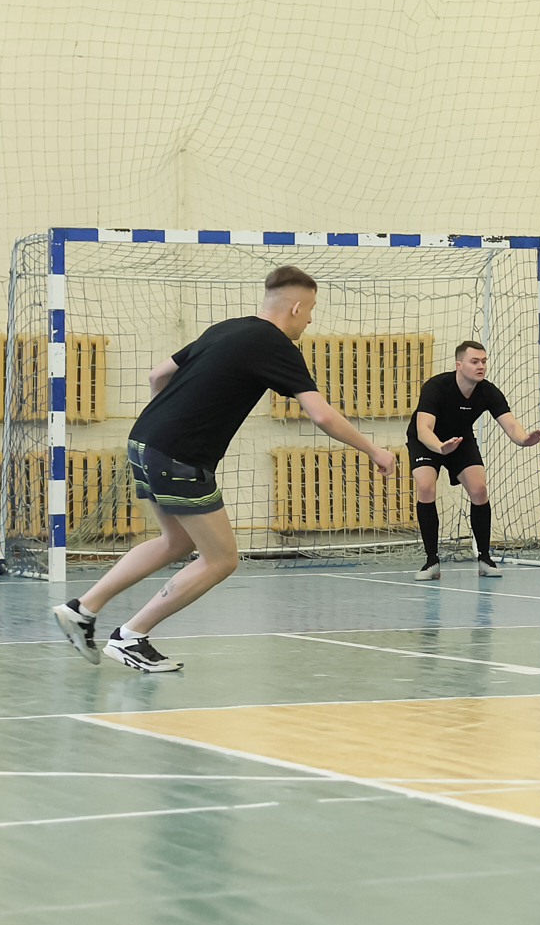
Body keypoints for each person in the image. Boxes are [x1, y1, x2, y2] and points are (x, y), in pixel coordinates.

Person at [51, 267, 396, 672]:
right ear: (296, 307)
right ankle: (130, 636)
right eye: (311, 310)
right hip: (179, 455)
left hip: (143, 441)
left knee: (175, 542)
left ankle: (82, 609)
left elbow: (157, 374)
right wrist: (374, 450)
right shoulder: (276, 344)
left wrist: (168, 420)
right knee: (222, 559)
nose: (310, 319)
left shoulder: (227, 327)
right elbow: (320, 414)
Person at [409, 340, 540, 580]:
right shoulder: (436, 387)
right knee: (425, 487)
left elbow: (510, 423)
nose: (480, 366)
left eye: (483, 361)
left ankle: (484, 558)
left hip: (460, 440)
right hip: (428, 442)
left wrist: (524, 439)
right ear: (459, 364)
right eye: (474, 361)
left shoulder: (487, 391)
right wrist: (440, 448)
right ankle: (432, 561)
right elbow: (423, 429)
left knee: (479, 489)